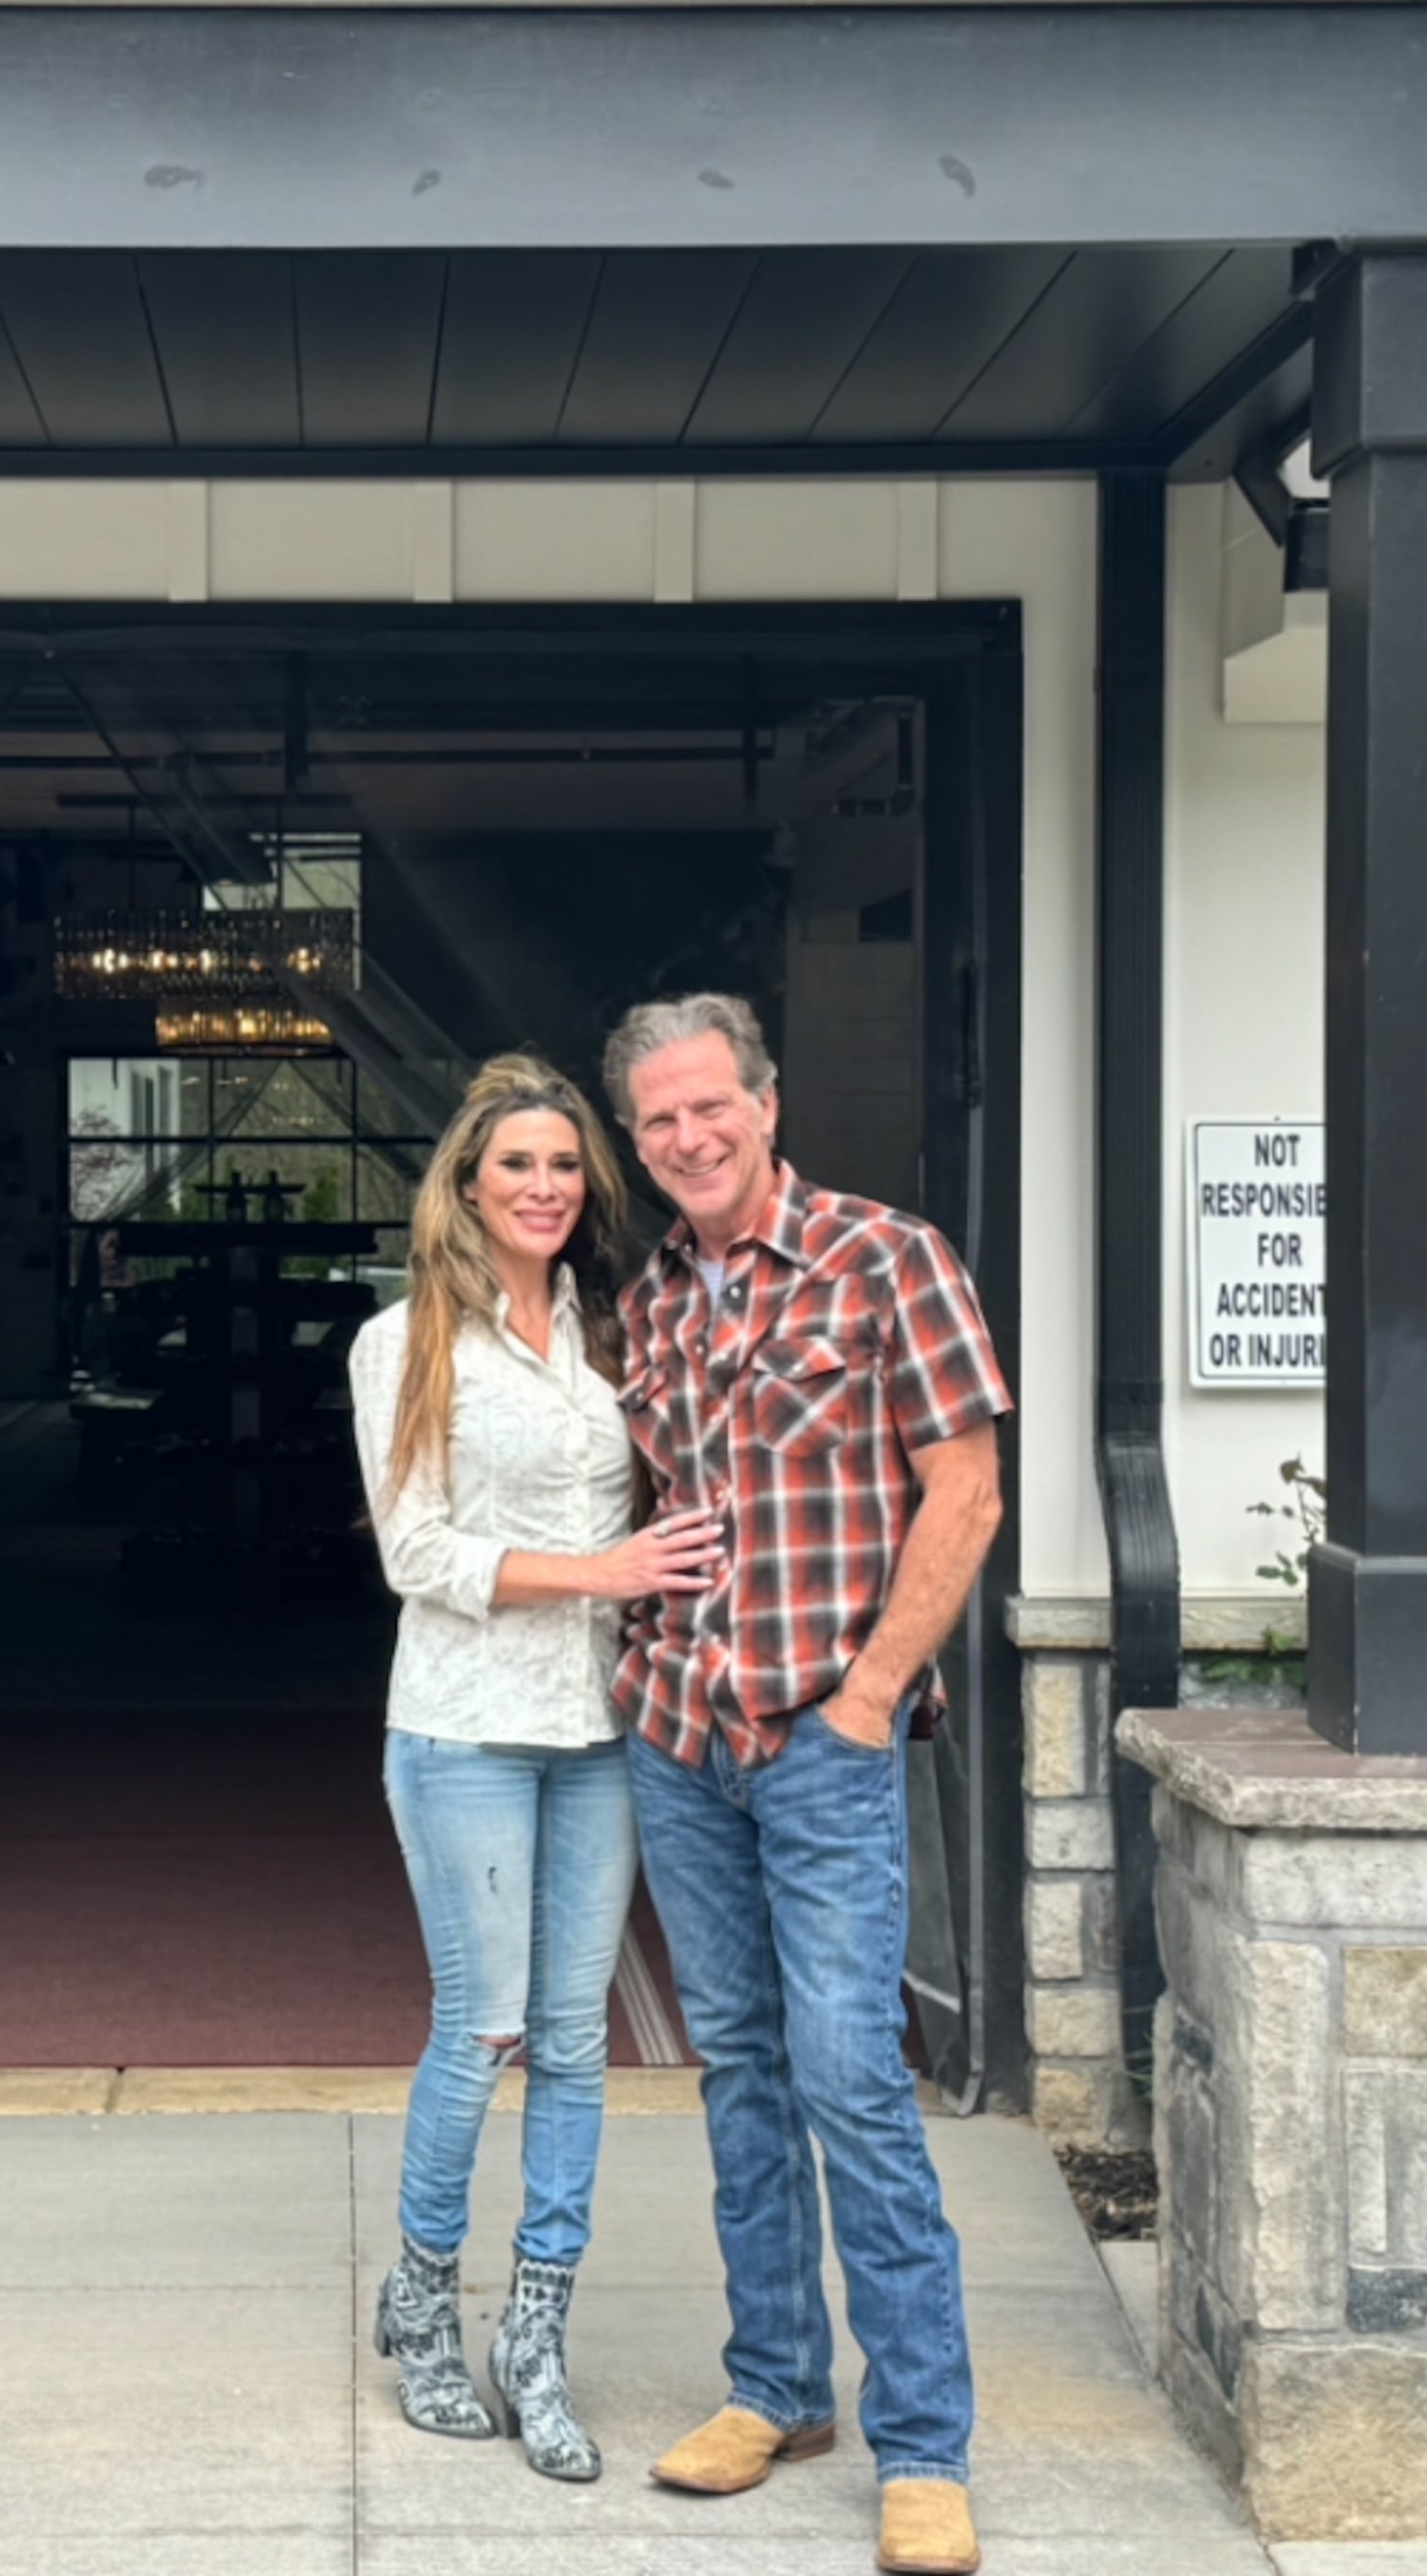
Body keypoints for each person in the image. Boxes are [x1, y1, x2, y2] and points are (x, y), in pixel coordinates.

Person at [601, 991, 1008, 2576]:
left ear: (768, 1101)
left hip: (824, 1741)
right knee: (742, 2070)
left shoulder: (886, 1258)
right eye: (660, 1122)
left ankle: (927, 2441)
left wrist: (868, 1698)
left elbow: (964, 1489)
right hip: (684, 1734)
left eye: (712, 1105)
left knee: (851, 2075)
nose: (690, 1137)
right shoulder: (653, 1298)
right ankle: (776, 2387)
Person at [346, 1052, 724, 2483]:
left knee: (581, 2043)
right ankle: (427, 2299)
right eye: (518, 1164)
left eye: (567, 1165)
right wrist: (603, 1568)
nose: (546, 1186)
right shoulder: (406, 1343)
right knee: (487, 2024)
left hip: (601, 1727)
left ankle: (537, 2335)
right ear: (466, 1182)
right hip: (464, 1726)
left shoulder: (614, 1336)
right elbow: (416, 1552)